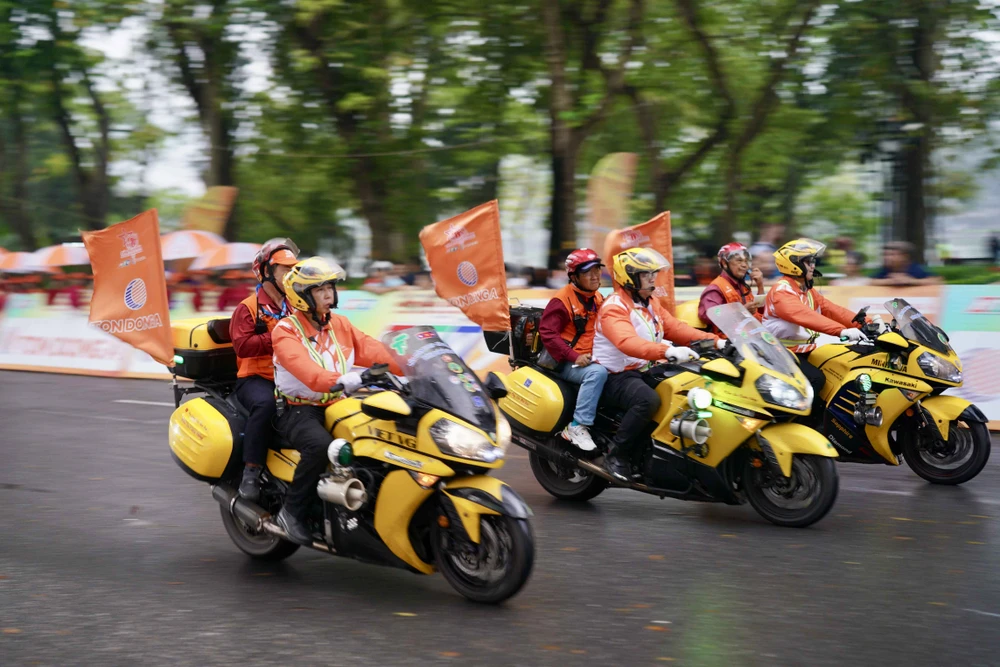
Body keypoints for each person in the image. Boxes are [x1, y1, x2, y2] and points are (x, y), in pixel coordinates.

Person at [271, 256, 401, 545]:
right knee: (319, 447)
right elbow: (307, 371)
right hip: (299, 409)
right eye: (319, 289)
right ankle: (291, 513)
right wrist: (338, 380)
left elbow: (374, 350)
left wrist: (412, 365)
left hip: (340, 404)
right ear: (302, 296)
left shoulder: (340, 324)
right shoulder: (285, 331)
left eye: (330, 287)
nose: (328, 294)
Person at [592, 248, 721, 481]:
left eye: (653, 273)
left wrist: (718, 342)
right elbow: (626, 342)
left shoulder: (650, 302)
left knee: (693, 382)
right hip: (616, 375)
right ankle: (616, 455)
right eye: (646, 274)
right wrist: (668, 350)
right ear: (629, 277)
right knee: (647, 400)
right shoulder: (615, 307)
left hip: (644, 369)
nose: (653, 278)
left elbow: (676, 328)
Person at [229, 238, 300, 502]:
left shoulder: (296, 305)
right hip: (255, 378)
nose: (290, 275)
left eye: (293, 270)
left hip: (290, 375)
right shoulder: (247, 308)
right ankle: (251, 470)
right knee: (266, 405)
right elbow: (242, 347)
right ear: (266, 272)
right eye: (284, 270)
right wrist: (280, 336)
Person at [762, 239, 866, 405]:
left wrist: (867, 323)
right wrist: (841, 331)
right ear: (793, 264)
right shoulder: (782, 290)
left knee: (837, 368)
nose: (813, 265)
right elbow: (802, 315)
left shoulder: (806, 290)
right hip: (780, 352)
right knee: (816, 379)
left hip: (802, 351)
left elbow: (833, 310)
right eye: (808, 261)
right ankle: (796, 424)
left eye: (813, 261)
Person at [537, 248, 609, 451]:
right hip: (567, 362)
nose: (595, 275)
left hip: (591, 358)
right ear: (574, 276)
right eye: (588, 272)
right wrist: (574, 356)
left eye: (597, 270)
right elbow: (548, 334)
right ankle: (577, 426)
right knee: (597, 373)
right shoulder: (562, 301)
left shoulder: (598, 298)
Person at [698, 242, 765, 335]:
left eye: (746, 261)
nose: (744, 265)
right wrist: (741, 312)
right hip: (729, 343)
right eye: (739, 260)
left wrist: (760, 286)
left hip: (753, 337)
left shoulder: (743, 286)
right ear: (725, 263)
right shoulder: (715, 288)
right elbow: (709, 316)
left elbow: (761, 314)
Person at [870, 241, 941, 287]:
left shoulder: (916, 269)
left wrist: (911, 281)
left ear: (905, 256)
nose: (887, 258)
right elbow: (869, 281)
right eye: (885, 255)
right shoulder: (885, 270)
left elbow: (936, 281)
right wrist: (891, 281)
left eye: (892, 255)